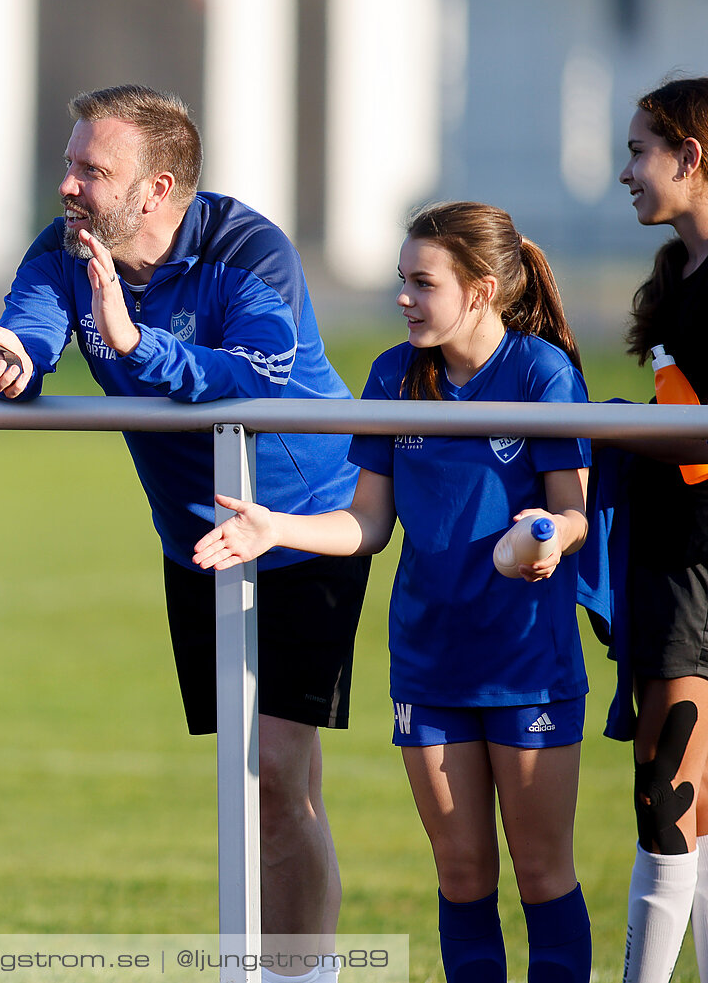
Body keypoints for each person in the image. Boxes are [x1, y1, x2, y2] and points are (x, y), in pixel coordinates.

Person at [0, 84, 366, 968]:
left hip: (298, 526)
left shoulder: (249, 247)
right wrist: (7, 360)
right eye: (69, 163)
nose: (67, 185)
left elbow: (256, 373)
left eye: (91, 170)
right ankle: (299, 960)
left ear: (158, 187)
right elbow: (32, 341)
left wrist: (135, 343)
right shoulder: (65, 249)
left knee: (272, 775)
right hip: (193, 532)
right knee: (270, 782)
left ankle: (300, 971)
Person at [194, 201, 593, 983]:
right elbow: (366, 522)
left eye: (422, 281)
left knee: (542, 873)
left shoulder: (541, 372)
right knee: (462, 875)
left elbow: (574, 511)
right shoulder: (394, 373)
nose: (404, 297)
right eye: (401, 280)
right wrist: (277, 527)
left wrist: (547, 536)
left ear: (480, 290)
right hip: (428, 662)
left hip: (526, 663)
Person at [612, 77, 708, 983]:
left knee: (671, 794)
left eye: (642, 149)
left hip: (695, 570)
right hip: (675, 563)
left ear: (692, 157)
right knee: (682, 799)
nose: (626, 170)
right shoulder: (680, 274)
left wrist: (595, 423)